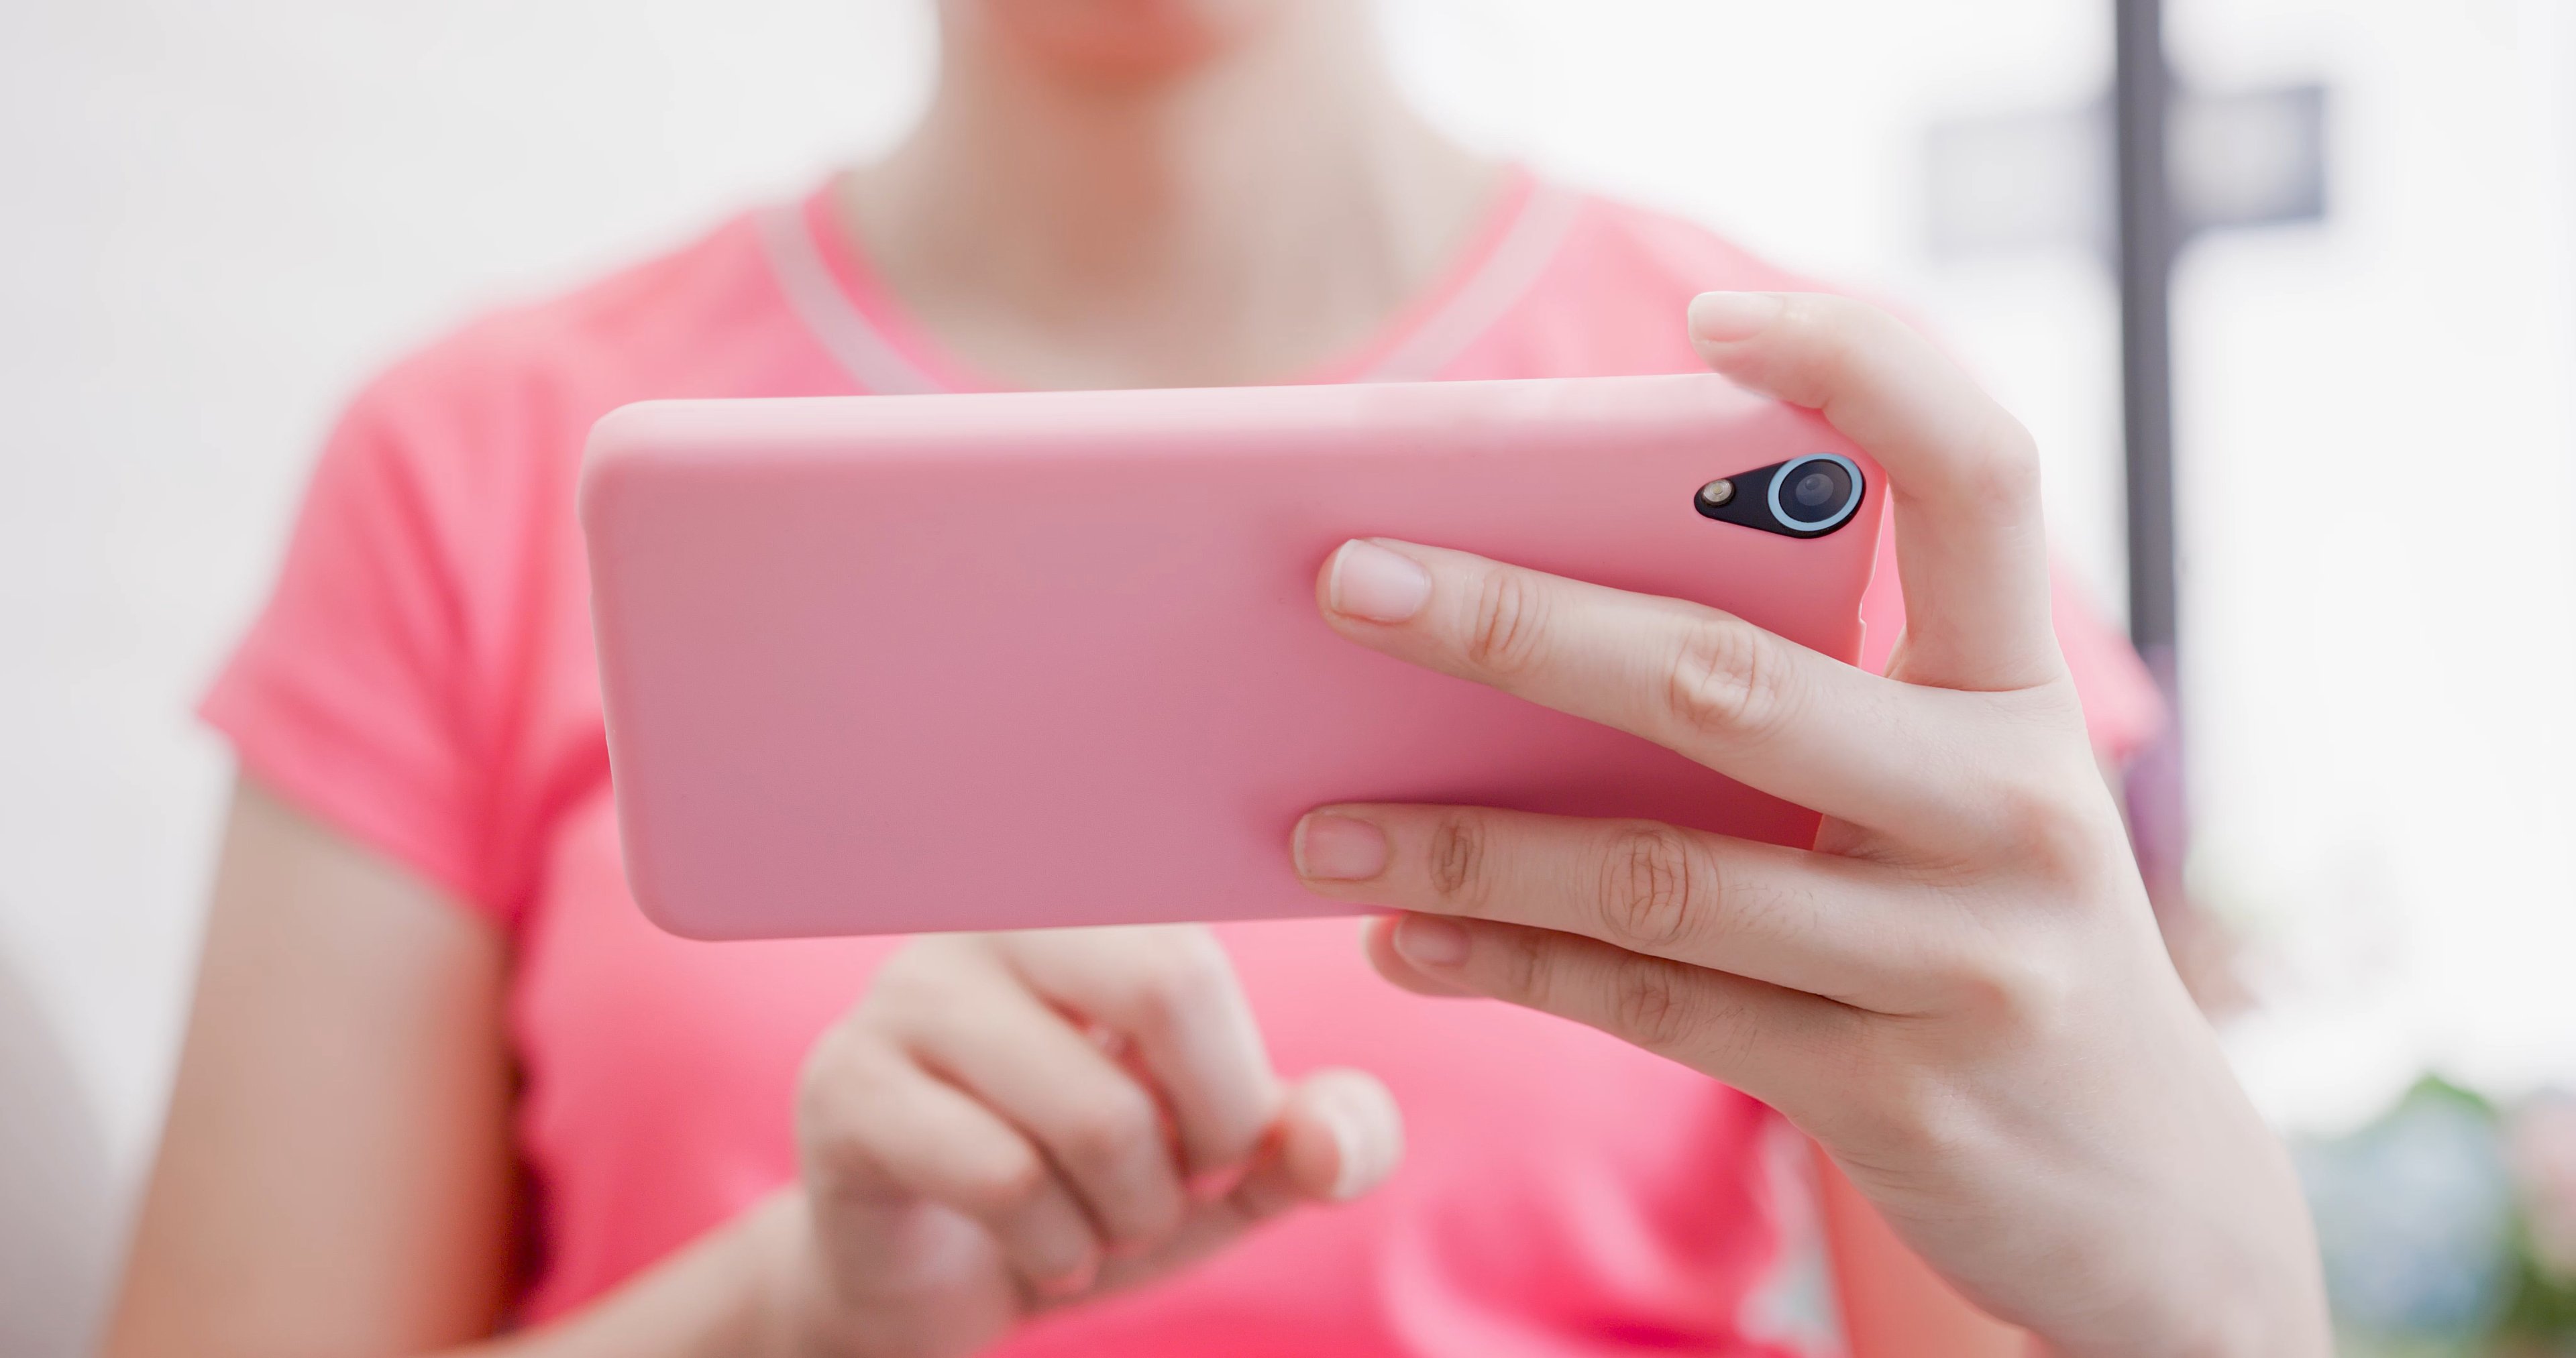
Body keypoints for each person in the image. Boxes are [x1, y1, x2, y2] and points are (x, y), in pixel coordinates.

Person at [101, 1, 2330, 1355]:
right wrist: (792, 1321)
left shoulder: (1835, 456)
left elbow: (2078, 1279)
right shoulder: (472, 467)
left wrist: (2227, 1298)